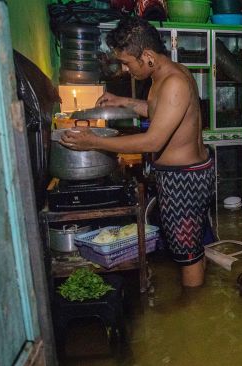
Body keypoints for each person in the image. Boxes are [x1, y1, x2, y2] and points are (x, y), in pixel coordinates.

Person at [61, 17, 214, 287]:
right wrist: (126, 102)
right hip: (181, 175)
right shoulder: (164, 75)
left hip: (183, 180)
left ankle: (193, 314)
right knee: (191, 246)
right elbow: (159, 111)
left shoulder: (174, 82)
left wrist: (93, 142)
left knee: (186, 252)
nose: (124, 69)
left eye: (127, 62)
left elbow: (153, 141)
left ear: (147, 56)